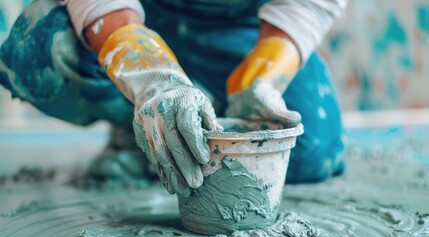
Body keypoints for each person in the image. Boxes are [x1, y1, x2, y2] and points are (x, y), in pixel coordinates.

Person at [0, 0, 347, 197]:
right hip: (135, 15)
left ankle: (197, 118)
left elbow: (307, 6)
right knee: (37, 50)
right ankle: (139, 123)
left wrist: (259, 81)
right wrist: (152, 78)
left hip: (243, 30)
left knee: (312, 148)